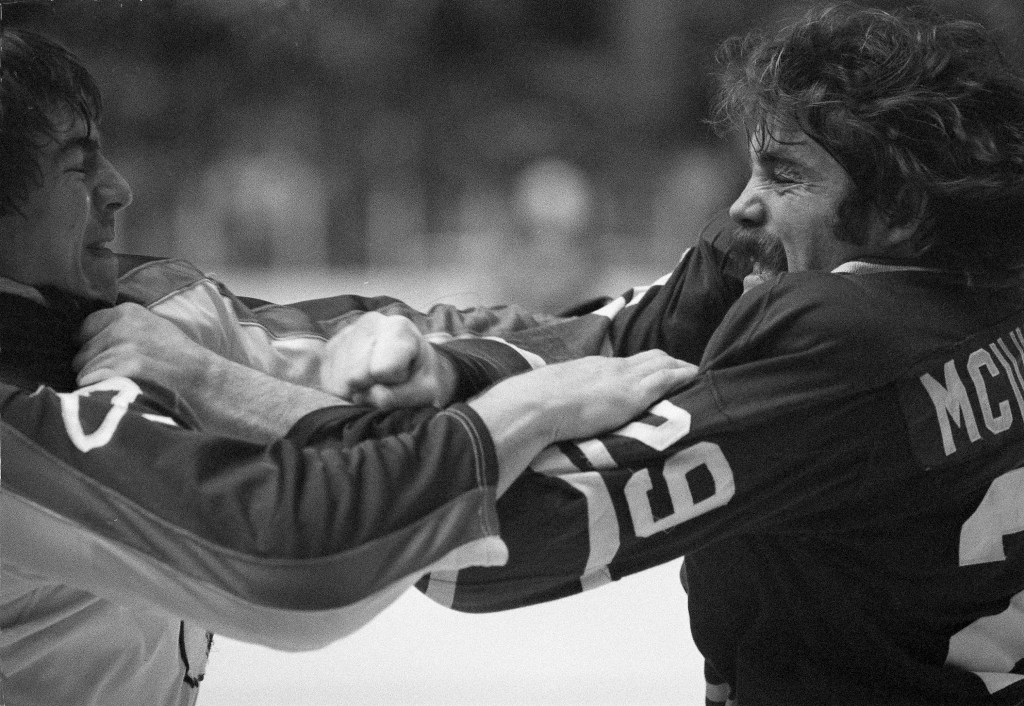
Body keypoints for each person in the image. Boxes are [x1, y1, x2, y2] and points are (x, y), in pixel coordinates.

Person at [83, 4, 1024, 704]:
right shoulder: (962, 283)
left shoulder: (840, 335)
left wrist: (220, 385)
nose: (741, 206)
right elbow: (618, 340)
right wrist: (448, 374)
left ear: (898, 209)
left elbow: (483, 549)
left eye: (784, 176)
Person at [0, 28, 696, 706]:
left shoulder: (149, 309)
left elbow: (405, 337)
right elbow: (294, 566)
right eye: (79, 164)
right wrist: (526, 410)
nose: (119, 188)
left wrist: (415, 363)